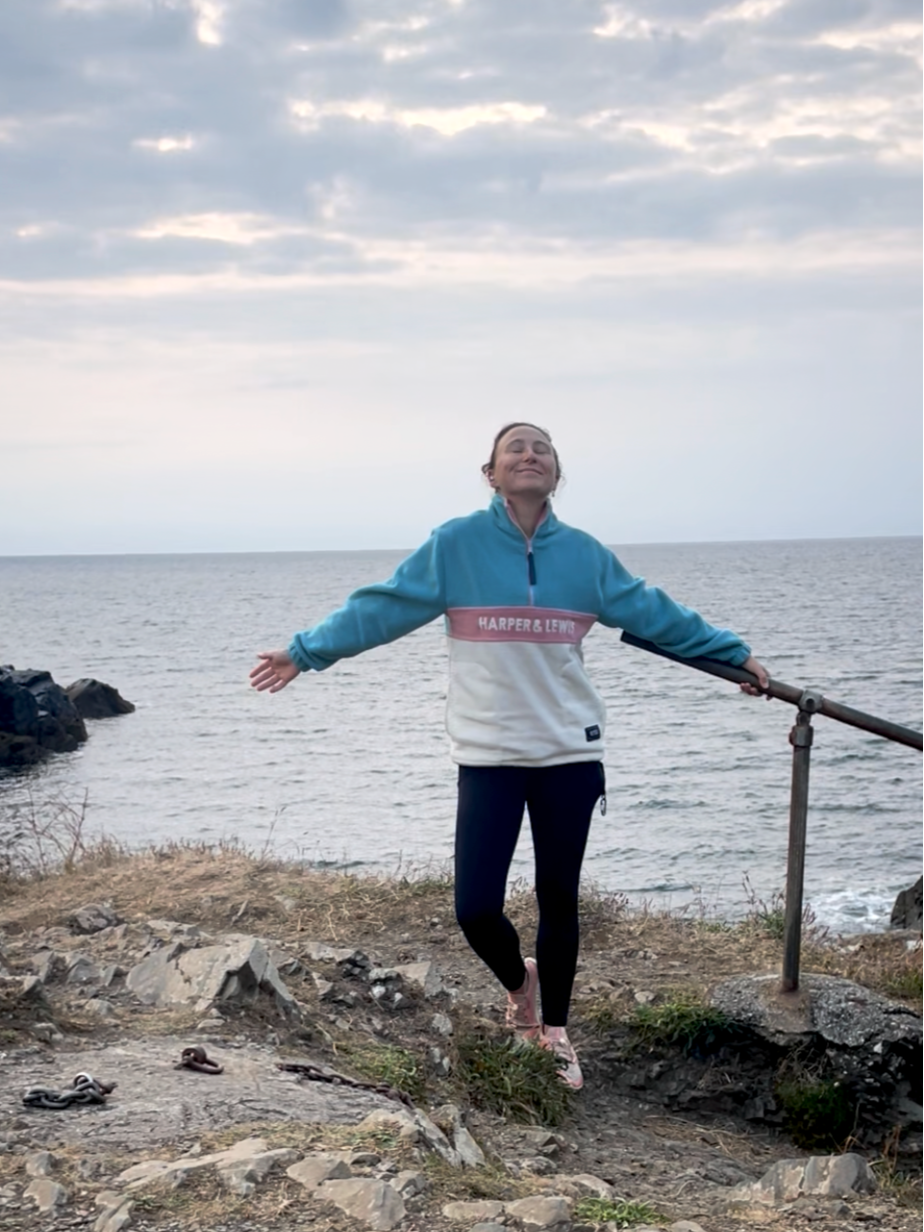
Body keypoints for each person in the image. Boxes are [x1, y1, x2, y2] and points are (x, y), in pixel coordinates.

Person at [250, 423, 769, 1090]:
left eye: (542, 449)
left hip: (568, 755)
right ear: (491, 474)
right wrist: (305, 651)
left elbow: (653, 612)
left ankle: (552, 1030)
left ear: (556, 474)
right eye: (515, 449)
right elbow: (381, 608)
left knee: (559, 898)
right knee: (474, 907)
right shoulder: (456, 546)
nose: (530, 455)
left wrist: (735, 656)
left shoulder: (584, 557)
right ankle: (519, 982)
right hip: (489, 754)